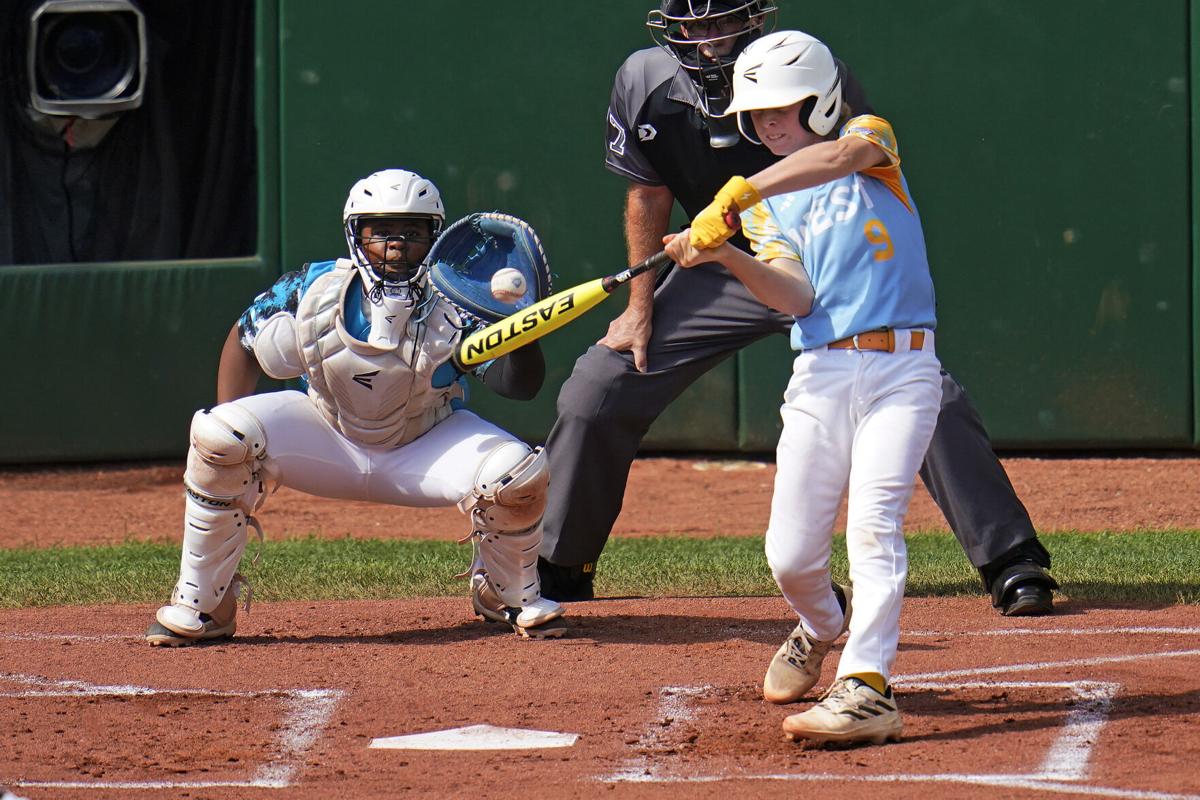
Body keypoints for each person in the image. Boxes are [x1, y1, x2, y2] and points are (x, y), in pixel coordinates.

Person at [537, 0, 1057, 617]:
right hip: (728, 261)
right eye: (692, 26)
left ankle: (1011, 559)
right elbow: (648, 194)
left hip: (830, 258)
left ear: (756, 17)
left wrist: (747, 190)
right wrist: (639, 308)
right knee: (600, 383)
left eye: (720, 22)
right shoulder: (644, 82)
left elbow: (847, 155)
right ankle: (559, 571)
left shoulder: (807, 63)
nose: (706, 41)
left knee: (925, 392)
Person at [144, 169, 567, 645]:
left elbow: (520, 386)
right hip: (325, 434)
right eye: (380, 231)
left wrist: (522, 333)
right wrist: (235, 453)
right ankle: (204, 603)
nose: (395, 245)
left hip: (423, 444)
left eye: (412, 233)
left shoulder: (458, 302)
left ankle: (505, 593)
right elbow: (243, 343)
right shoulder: (313, 288)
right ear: (355, 234)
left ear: (435, 236)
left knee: (516, 474)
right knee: (220, 433)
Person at [666, 29, 940, 745]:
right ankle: (825, 623)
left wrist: (740, 190)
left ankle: (868, 687)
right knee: (789, 558)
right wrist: (725, 249)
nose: (765, 124)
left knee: (875, 527)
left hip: (902, 369)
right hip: (821, 373)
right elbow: (794, 296)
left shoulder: (867, 140)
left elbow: (843, 156)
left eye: (780, 108)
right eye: (754, 116)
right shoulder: (767, 206)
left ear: (821, 98)